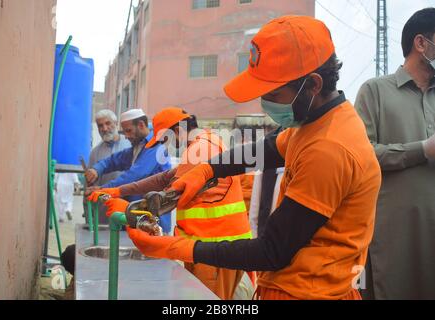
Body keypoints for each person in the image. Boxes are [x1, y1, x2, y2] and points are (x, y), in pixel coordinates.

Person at [112, 16, 382, 300]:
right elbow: (265, 150)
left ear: (313, 84)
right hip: (287, 286)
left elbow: (271, 251)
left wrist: (173, 246)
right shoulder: (315, 122)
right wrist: (206, 171)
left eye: (274, 93)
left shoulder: (330, 149)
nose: (266, 103)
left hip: (307, 294)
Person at [90, 107, 252, 300]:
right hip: (209, 243)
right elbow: (166, 177)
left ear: (176, 131)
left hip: (215, 246)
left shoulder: (201, 149)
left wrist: (126, 209)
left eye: (164, 140)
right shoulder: (203, 143)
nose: (165, 147)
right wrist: (119, 190)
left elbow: (167, 199)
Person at [354, 7, 435, 300]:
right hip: (392, 239)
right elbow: (361, 156)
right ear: (421, 43)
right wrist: (422, 150)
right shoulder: (374, 91)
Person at [85, 108, 172, 233]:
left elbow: (135, 174)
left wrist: (104, 189)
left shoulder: (157, 146)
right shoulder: (137, 147)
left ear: (141, 125)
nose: (126, 136)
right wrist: (96, 169)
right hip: (138, 216)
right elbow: (114, 160)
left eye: (129, 131)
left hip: (154, 218)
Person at [86, 109, 131, 224]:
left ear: (116, 124)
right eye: (100, 125)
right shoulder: (95, 153)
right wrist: (89, 217)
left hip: (128, 205)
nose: (104, 129)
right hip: (104, 210)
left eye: (108, 123)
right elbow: (90, 187)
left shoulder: (130, 145)